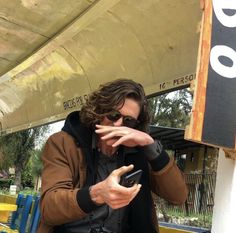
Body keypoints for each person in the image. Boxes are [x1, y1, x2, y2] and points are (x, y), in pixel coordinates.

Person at [37, 79, 188, 233]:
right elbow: (49, 209)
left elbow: (178, 196)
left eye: (128, 121)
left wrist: (150, 145)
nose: (118, 125)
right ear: (99, 111)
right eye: (113, 115)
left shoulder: (139, 152)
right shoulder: (63, 143)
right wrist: (96, 194)